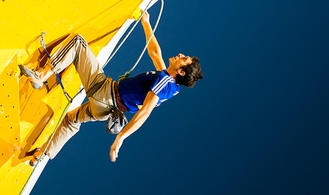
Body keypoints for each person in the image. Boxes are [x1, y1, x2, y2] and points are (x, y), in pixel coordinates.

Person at [19, 11, 203, 165]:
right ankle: (43, 153)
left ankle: (41, 76)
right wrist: (146, 23)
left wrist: (121, 138)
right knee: (71, 120)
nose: (180, 54)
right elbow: (155, 53)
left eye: (184, 58)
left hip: (106, 93)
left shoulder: (165, 82)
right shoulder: (167, 83)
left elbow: (146, 112)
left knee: (77, 42)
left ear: (181, 72)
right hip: (106, 110)